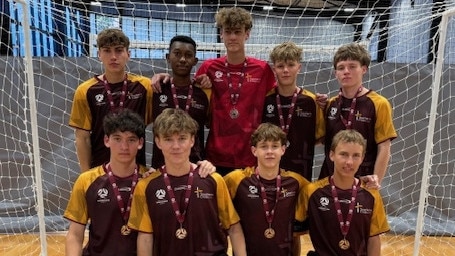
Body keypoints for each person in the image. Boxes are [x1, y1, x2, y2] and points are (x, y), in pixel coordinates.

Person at [151, 7, 276, 176]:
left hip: (250, 155)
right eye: (228, 31)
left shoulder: (262, 69)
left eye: (237, 32)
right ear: (221, 34)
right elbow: (184, 83)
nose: (232, 37)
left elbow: (278, 95)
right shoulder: (209, 68)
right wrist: (162, 75)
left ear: (247, 34)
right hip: (214, 156)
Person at [127, 108, 247, 256]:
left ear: (192, 140)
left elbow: (234, 228)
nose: (176, 146)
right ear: (158, 142)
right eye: (168, 139)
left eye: (182, 138)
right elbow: (145, 237)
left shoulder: (213, 180)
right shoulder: (145, 186)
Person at [64, 109, 148, 256]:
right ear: (106, 140)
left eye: (131, 140)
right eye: (117, 139)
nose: (124, 147)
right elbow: (75, 235)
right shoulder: (86, 181)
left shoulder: (150, 180)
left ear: (140, 143)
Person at [69, 28, 152, 172]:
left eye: (119, 50)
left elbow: (161, 127)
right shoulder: (85, 91)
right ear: (99, 54)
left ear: (128, 54)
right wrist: (86, 175)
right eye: (107, 51)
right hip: (100, 171)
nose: (113, 56)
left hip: (137, 172)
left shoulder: (145, 87)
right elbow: (82, 138)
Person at [224, 123, 309, 256]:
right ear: (254, 151)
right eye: (264, 146)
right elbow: (213, 187)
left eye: (274, 146)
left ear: (283, 149)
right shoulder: (235, 180)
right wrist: (206, 167)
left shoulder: (297, 182)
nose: (269, 151)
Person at [302, 129, 390, 256]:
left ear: (362, 158)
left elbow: (373, 239)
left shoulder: (371, 195)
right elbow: (292, 231)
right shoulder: (311, 192)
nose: (349, 162)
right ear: (331, 155)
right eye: (343, 154)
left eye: (355, 155)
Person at [319, 42, 397, 184]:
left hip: (362, 181)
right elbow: (321, 140)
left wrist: (376, 181)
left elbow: (384, 146)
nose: (346, 71)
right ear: (336, 73)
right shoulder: (330, 104)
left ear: (364, 69)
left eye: (352, 66)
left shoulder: (379, 104)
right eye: (341, 68)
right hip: (328, 182)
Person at [262, 41, 325, 181]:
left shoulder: (311, 101)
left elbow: (320, 137)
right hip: (268, 173)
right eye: (280, 66)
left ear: (299, 67)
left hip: (301, 174)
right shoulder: (265, 100)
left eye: (290, 65)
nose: (285, 70)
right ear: (274, 69)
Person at [151, 35, 210, 169]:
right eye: (177, 54)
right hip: (161, 168)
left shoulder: (204, 93)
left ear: (195, 61)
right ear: (168, 57)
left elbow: (211, 124)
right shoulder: (156, 90)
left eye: (188, 55)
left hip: (196, 168)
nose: (183, 59)